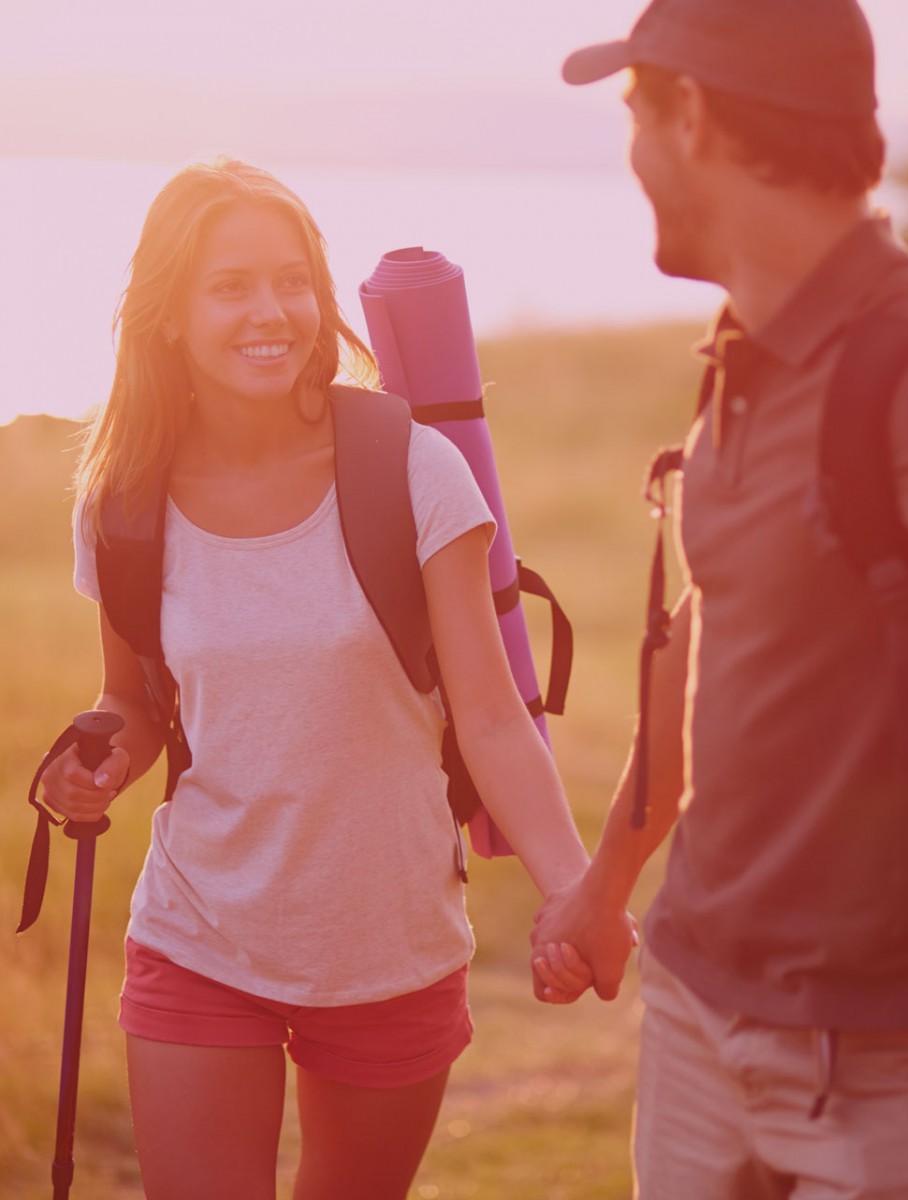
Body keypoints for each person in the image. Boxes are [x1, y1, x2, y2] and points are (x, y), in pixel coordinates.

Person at [530, 1, 908, 1196]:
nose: (632, 158)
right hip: (697, 1008)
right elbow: (713, 633)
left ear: (691, 116)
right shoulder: (745, 345)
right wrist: (605, 890)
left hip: (896, 1055)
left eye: (636, 117)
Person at [41, 157, 591, 1200]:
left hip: (387, 941)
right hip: (200, 928)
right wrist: (99, 761)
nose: (272, 311)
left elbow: (489, 716)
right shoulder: (123, 503)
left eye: (292, 280)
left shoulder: (411, 468)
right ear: (170, 314)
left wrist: (574, 893)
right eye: (231, 285)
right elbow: (137, 704)